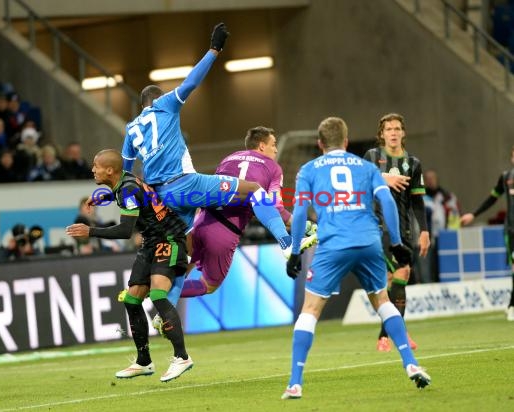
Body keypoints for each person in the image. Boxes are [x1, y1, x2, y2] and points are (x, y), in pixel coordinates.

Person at [121, 23, 292, 305]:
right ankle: (284, 242)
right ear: (157, 100)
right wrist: (213, 50)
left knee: (181, 258)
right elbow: (190, 83)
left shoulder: (131, 129)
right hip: (185, 184)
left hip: (161, 199)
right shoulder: (165, 105)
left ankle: (162, 315)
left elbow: (127, 175)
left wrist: (136, 207)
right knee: (252, 189)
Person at [281, 117, 431, 400]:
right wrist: (397, 242)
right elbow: (386, 201)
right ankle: (410, 363)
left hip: (333, 245)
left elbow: (300, 212)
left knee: (310, 310)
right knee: (383, 301)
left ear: (319, 144)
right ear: (347, 142)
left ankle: (295, 382)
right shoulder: (365, 166)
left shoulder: (308, 169)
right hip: (369, 242)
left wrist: (296, 250)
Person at [66, 149, 193, 382]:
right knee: (132, 298)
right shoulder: (124, 182)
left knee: (157, 294)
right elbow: (130, 196)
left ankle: (182, 357)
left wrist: (90, 231)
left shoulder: (127, 189)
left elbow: (125, 230)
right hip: (150, 242)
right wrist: (103, 197)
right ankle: (143, 361)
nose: (92, 169)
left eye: (96, 165)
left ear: (110, 170)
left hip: (169, 238)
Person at [181, 126, 316, 298]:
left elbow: (215, 190)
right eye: (273, 144)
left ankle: (161, 305)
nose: (275, 149)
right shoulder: (273, 168)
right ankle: (286, 243)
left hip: (200, 222)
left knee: (181, 270)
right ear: (261, 146)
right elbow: (275, 207)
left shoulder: (229, 158)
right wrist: (305, 225)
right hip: (225, 233)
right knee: (207, 285)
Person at [363, 113, 430, 352]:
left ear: (403, 133)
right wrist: (384, 178)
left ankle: (389, 333)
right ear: (381, 134)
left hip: (403, 231)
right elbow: (360, 182)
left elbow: (418, 202)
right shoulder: (371, 157)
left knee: (398, 280)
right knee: (394, 278)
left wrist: (424, 231)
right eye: (388, 129)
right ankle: (390, 334)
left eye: (397, 128)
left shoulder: (413, 163)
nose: (393, 132)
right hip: (377, 228)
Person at [460, 145, 514, 321]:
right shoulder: (506, 178)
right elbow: (492, 198)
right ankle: (512, 305)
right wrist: (473, 214)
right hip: (512, 229)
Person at [420, 169, 460, 283]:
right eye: (427, 179)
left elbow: (455, 217)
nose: (430, 181)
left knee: (444, 266)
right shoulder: (420, 198)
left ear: (437, 179)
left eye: (432, 178)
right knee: (427, 269)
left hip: (444, 239)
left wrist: (451, 236)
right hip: (426, 239)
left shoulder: (448, 197)